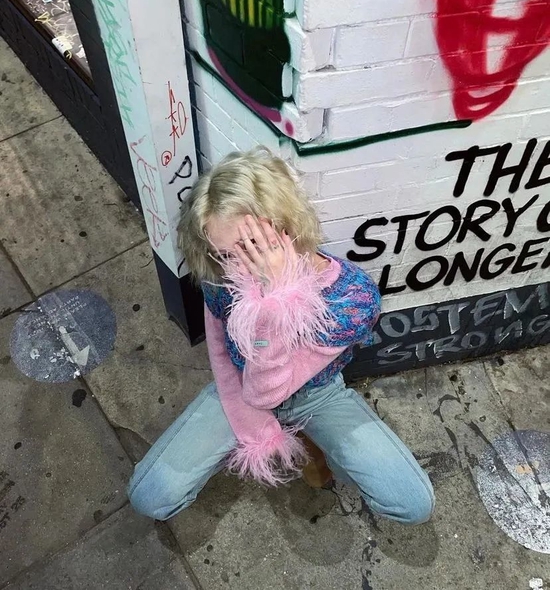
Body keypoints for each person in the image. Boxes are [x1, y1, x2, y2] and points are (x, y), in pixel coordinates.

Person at [127, 147, 434, 525]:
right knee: (148, 495)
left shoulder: (351, 299)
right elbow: (222, 351)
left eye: (251, 247)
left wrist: (270, 305)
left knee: (412, 502)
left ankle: (332, 459)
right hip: (242, 384)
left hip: (315, 393)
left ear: (286, 227)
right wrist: (248, 425)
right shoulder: (221, 272)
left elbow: (269, 393)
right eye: (224, 253)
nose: (237, 267)